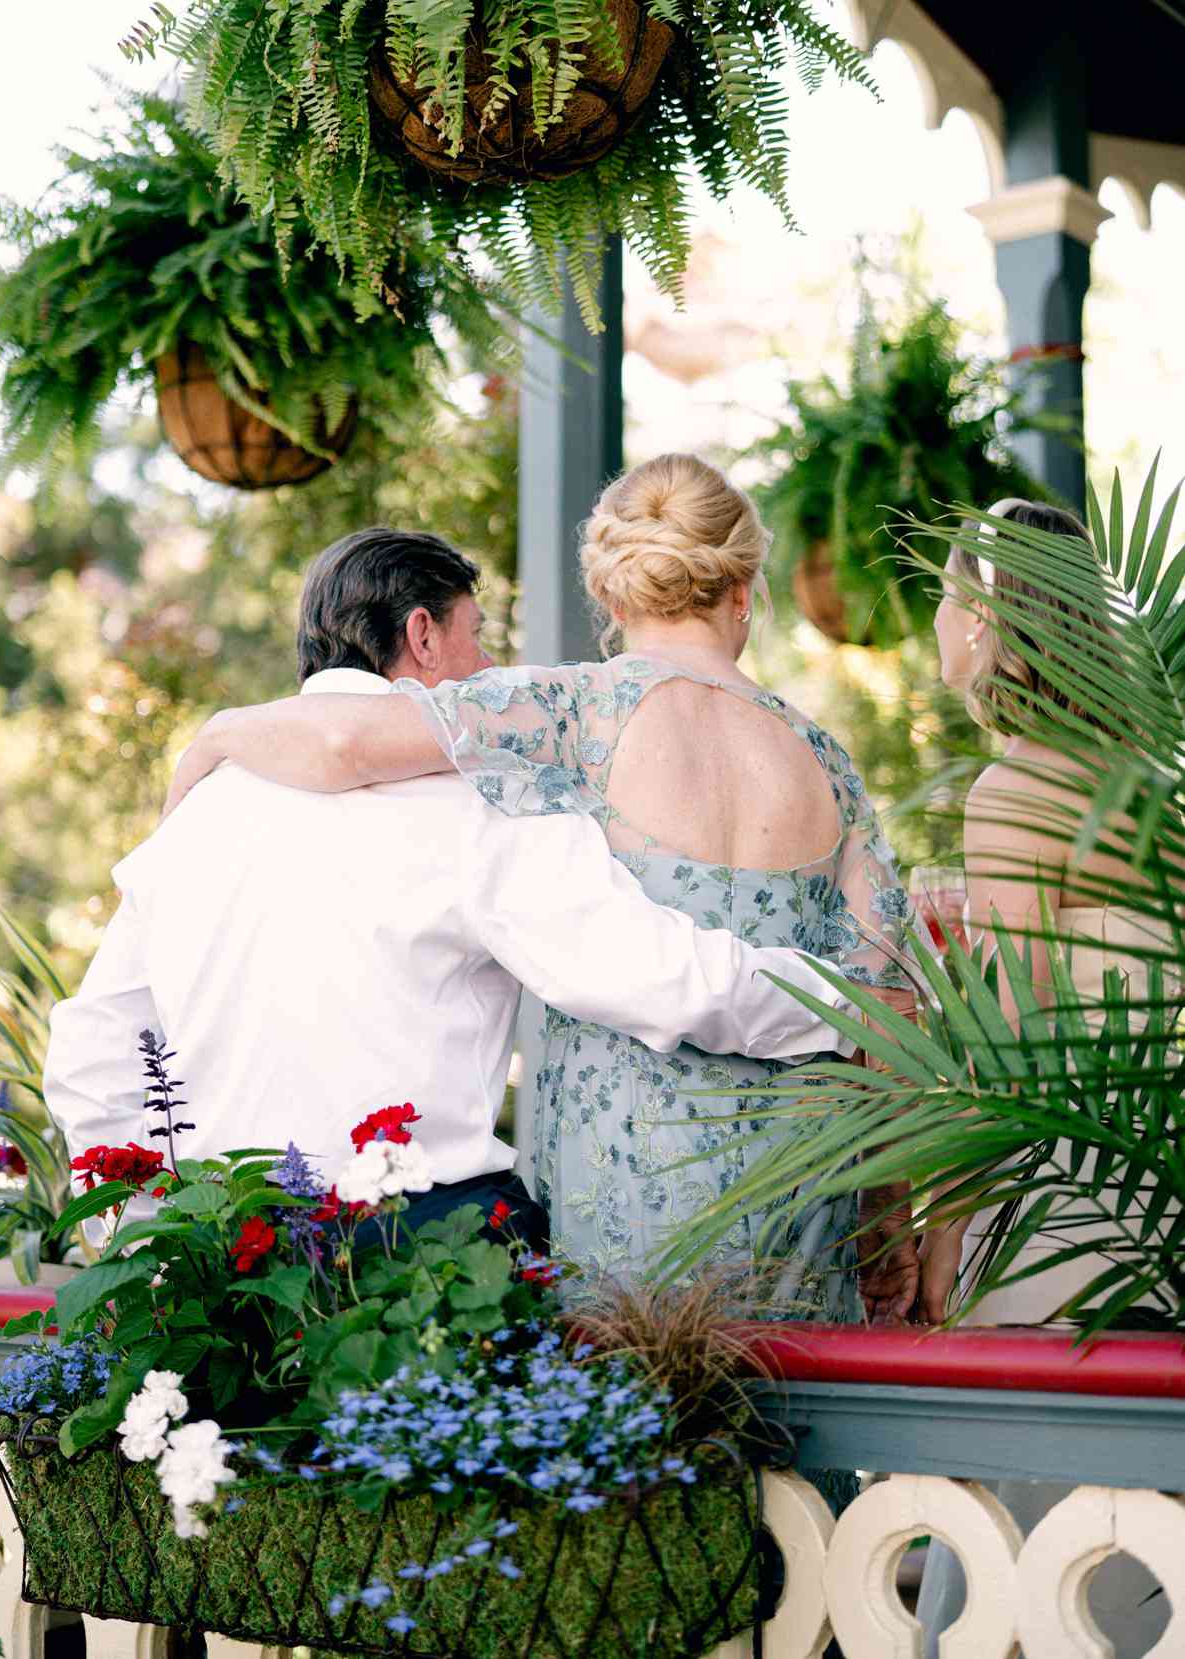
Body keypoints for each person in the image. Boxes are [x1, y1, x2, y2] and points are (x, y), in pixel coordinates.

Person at [162, 457, 922, 1367]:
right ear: (745, 589)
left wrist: (212, 736)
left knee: (636, 1475)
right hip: (809, 1194)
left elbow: (341, 740)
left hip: (628, 1192)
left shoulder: (570, 710)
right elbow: (890, 1001)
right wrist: (887, 1224)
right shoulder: (826, 760)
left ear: (611, 587)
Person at [45, 525, 860, 1258]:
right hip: (423, 1261)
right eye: (480, 640)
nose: (490, 674)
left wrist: (143, 1249)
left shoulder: (197, 814)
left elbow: (91, 1051)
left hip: (230, 1262)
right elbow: (652, 973)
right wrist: (849, 1006)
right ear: (423, 635)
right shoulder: (487, 798)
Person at [916, 497, 1170, 1656]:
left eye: (945, 588)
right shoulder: (1148, 780)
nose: (936, 614)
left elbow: (1012, 1058)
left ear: (986, 615)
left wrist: (937, 1234)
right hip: (1155, 1176)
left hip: (1075, 1206)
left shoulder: (1014, 789)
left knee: (1027, 1536)